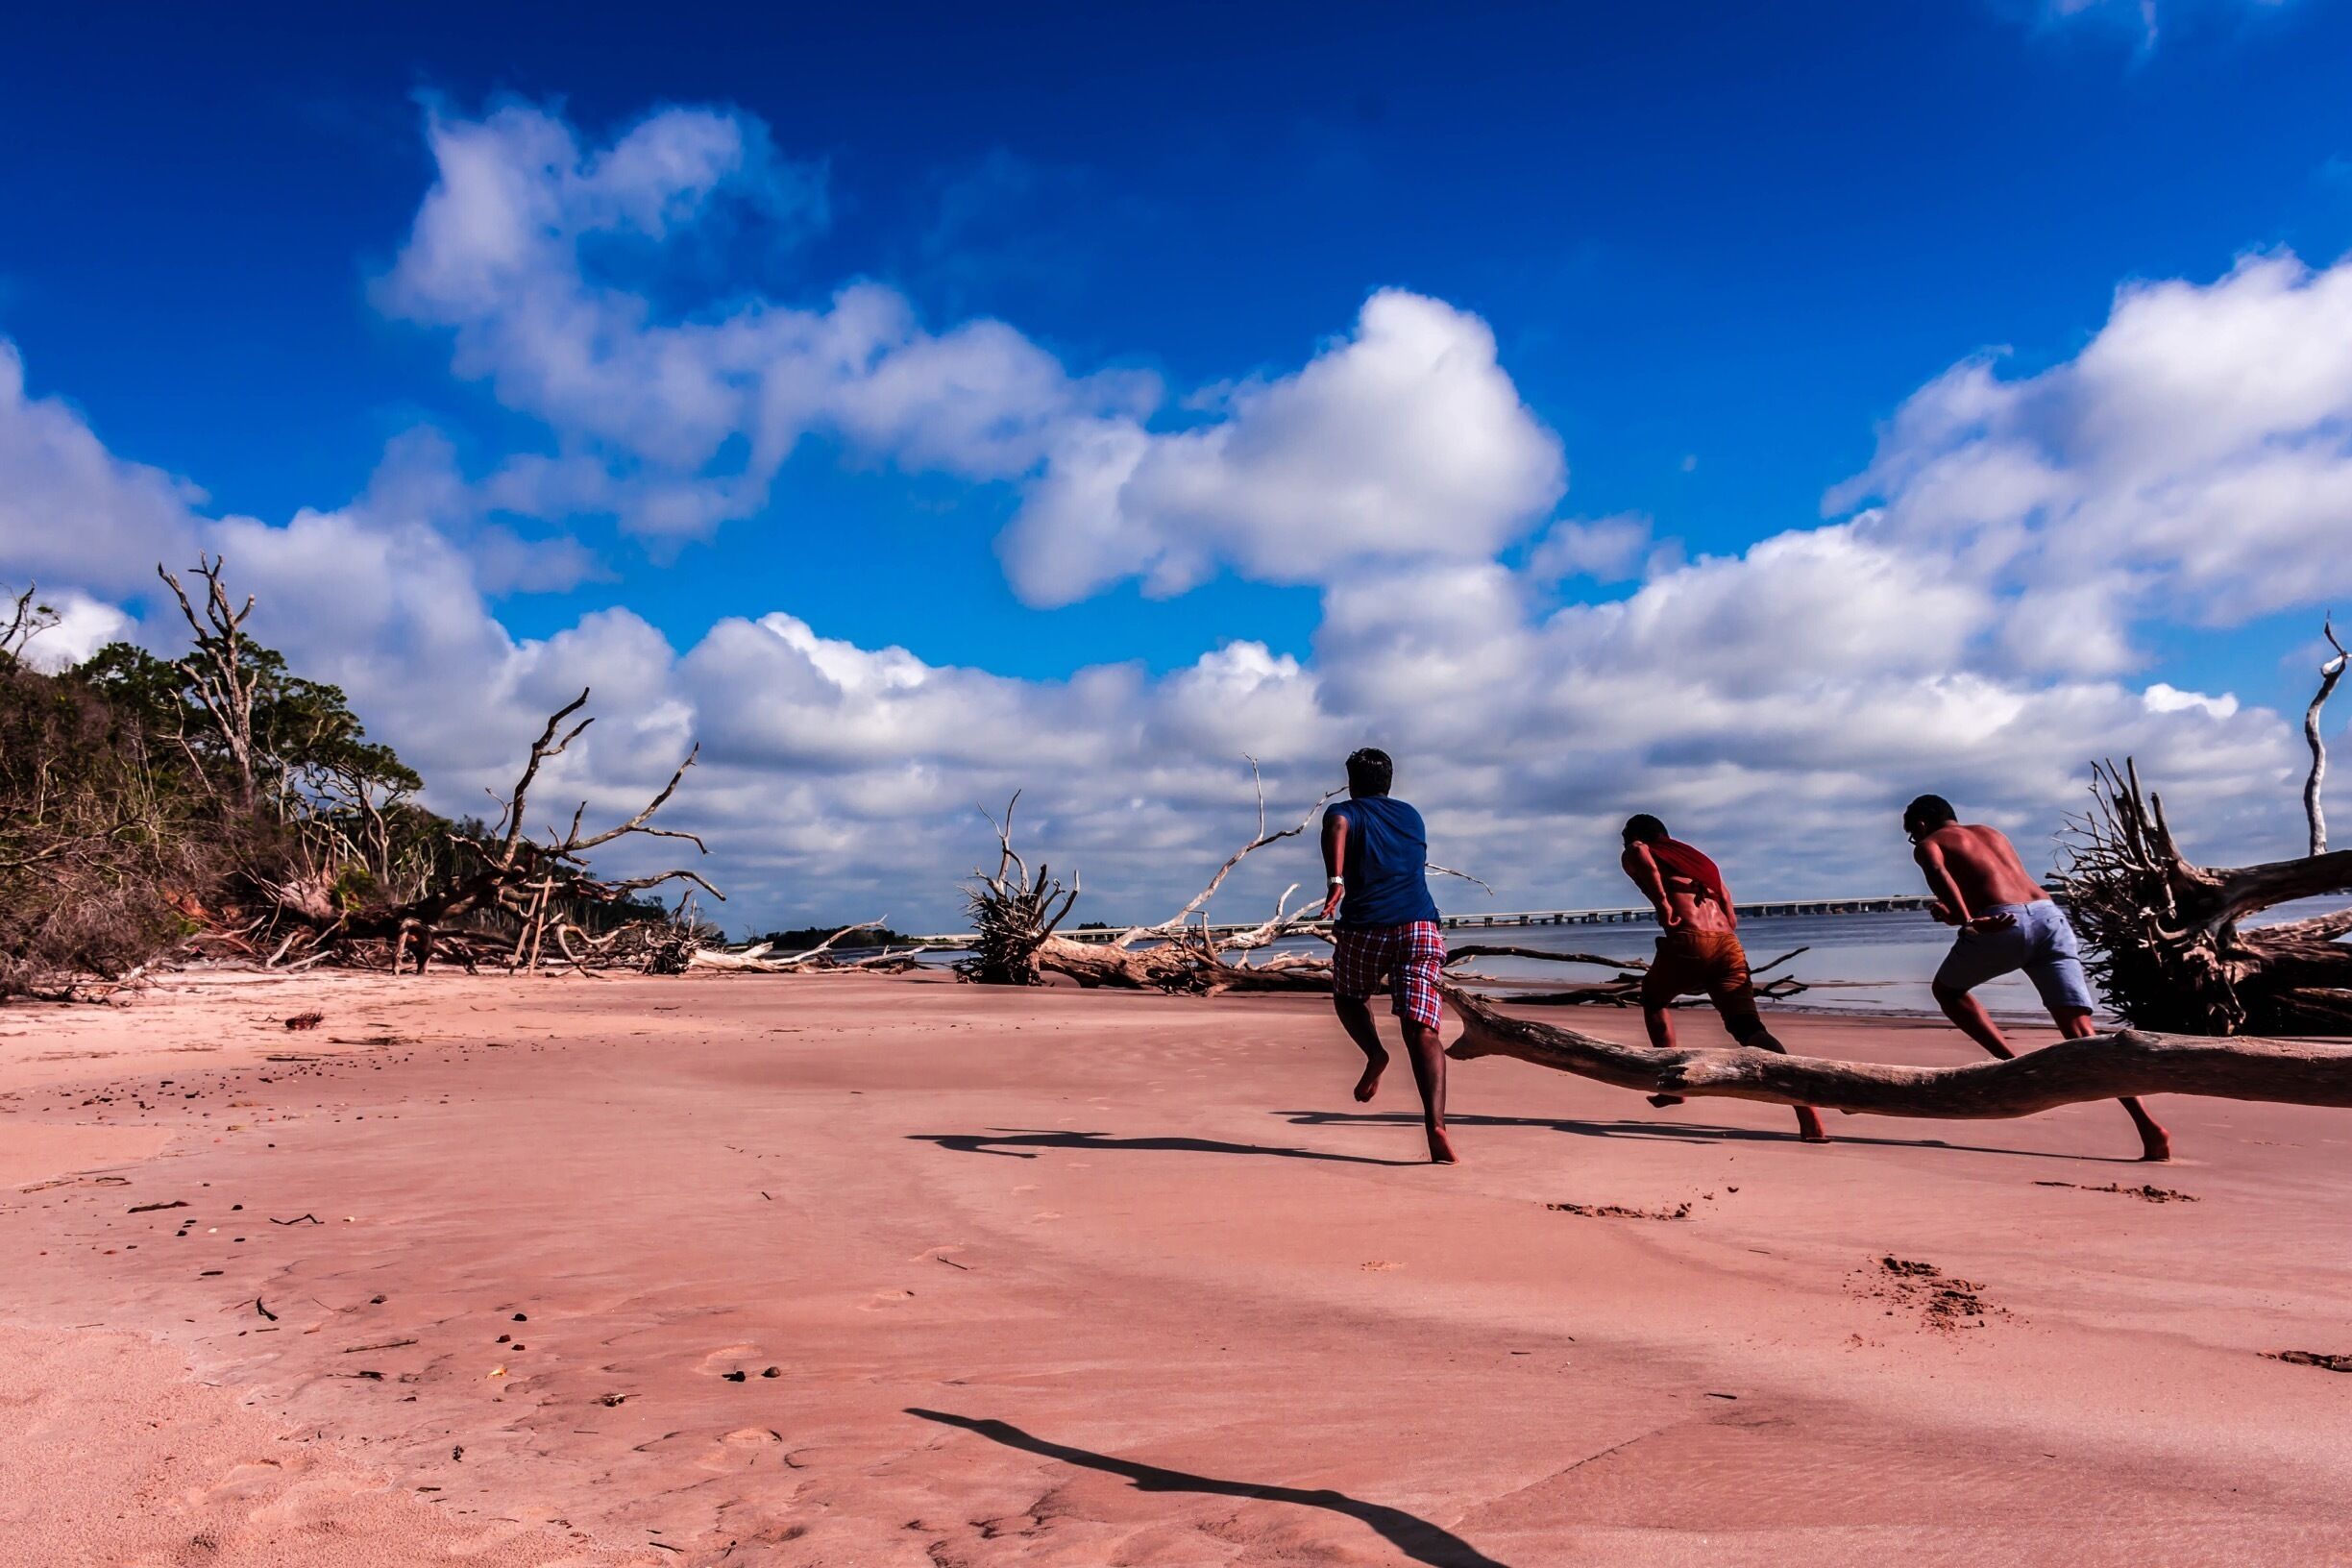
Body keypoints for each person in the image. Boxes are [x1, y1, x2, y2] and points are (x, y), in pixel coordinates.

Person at [1904, 794, 2170, 1163]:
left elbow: (1939, 872)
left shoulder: (1931, 844)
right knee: (2082, 1032)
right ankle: (2149, 1127)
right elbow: (1998, 888)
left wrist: (1966, 921)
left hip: (2007, 926)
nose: (1915, 843)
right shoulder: (1992, 833)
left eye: (1912, 836)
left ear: (1920, 825)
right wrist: (1958, 914)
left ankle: (2013, 1065)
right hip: (2049, 917)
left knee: (1946, 991)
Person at [1619, 816, 1829, 1144]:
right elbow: (1731, 913)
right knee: (1749, 1029)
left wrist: (1663, 904)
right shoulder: (1701, 862)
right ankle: (1806, 1107)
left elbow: (1638, 852)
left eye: (1625, 838)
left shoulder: (1640, 848)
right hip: (1728, 945)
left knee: (1654, 1001)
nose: (1624, 846)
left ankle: (1671, 1084)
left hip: (1689, 939)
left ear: (1640, 836)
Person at [1315, 748, 1455, 1164]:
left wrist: (1336, 880)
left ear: (1352, 781)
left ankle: (1375, 1052)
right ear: (1389, 782)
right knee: (1423, 1031)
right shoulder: (1411, 816)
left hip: (1367, 929)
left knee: (1348, 995)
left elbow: (1337, 823)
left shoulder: (1345, 810)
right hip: (1419, 928)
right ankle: (1437, 1125)